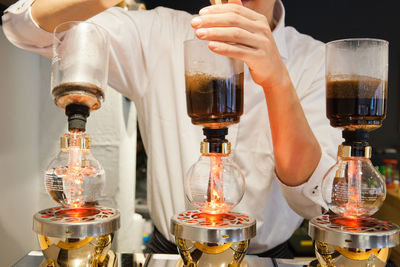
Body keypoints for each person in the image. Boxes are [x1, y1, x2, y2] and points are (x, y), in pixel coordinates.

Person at [2, 0, 342, 258]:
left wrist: (277, 80)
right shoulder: (159, 35)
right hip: (171, 254)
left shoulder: (314, 60)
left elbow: (310, 200)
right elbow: (24, 29)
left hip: (265, 257)